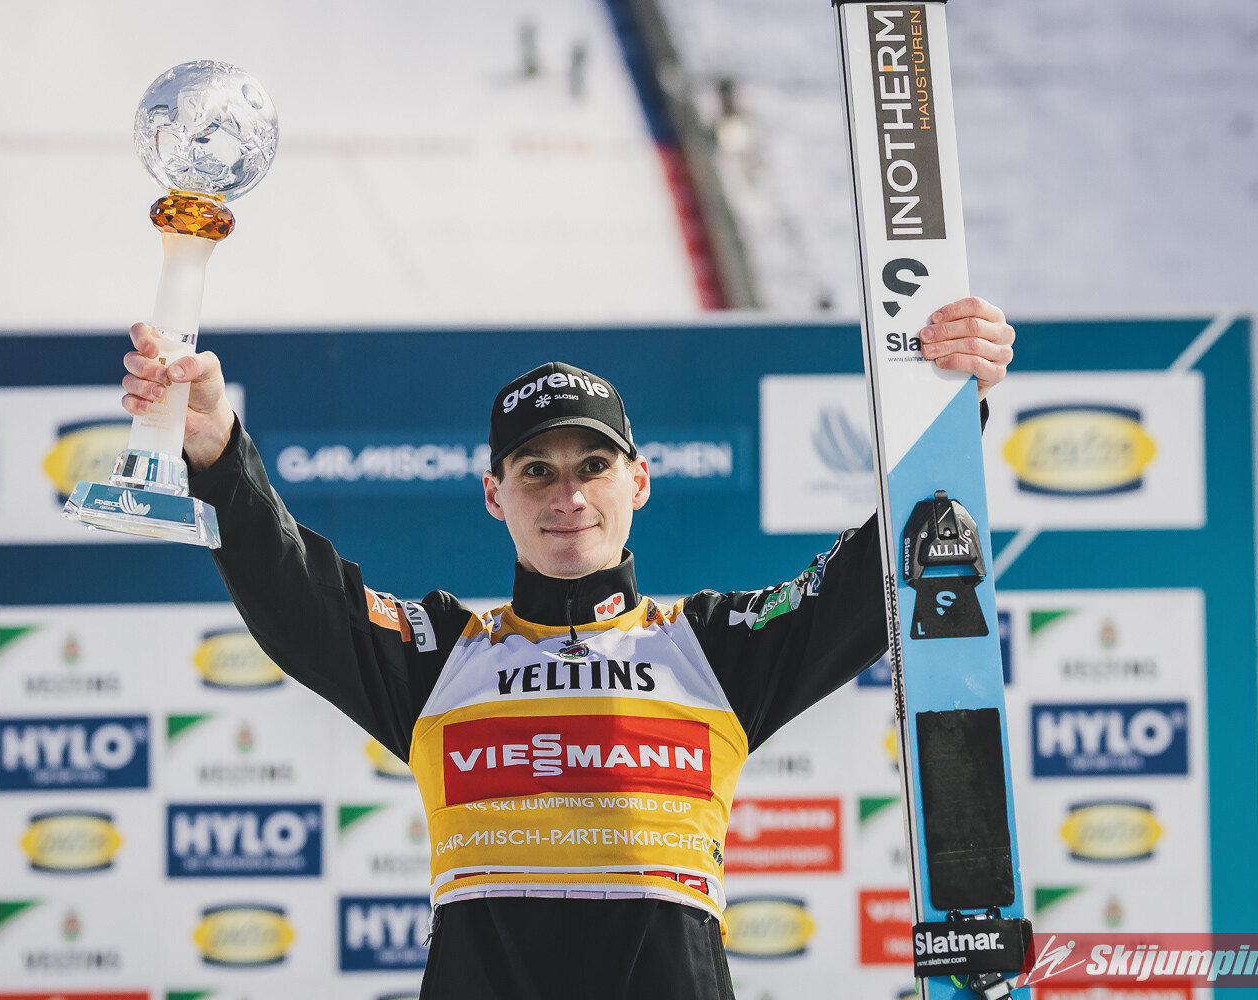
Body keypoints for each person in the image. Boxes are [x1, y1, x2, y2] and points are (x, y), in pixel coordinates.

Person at [120, 297, 1015, 1000]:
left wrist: (953, 407)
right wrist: (218, 452)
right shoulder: (439, 658)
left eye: (593, 467)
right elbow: (295, 595)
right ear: (494, 496)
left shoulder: (713, 649)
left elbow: (870, 580)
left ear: (639, 481)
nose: (567, 496)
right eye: (536, 471)